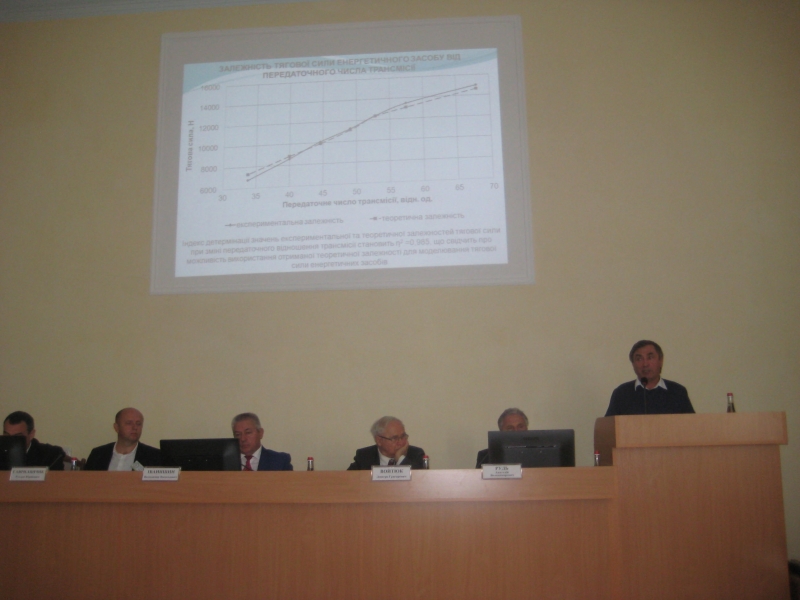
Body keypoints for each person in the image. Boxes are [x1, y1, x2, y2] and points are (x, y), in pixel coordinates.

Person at [604, 340, 695, 416]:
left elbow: (692, 426)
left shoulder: (677, 392)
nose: (645, 364)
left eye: (650, 357)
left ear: (661, 361)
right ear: (633, 364)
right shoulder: (622, 393)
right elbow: (608, 428)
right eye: (639, 359)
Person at [84, 408, 162, 471]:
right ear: (116, 427)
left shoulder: (155, 456)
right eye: (129, 423)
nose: (135, 427)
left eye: (138, 424)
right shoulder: (98, 454)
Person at [347, 416, 426, 470]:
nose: (401, 442)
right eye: (394, 438)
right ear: (379, 440)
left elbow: (420, 481)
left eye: (403, 436)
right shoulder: (364, 456)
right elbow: (347, 481)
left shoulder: (416, 454)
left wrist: (400, 459)